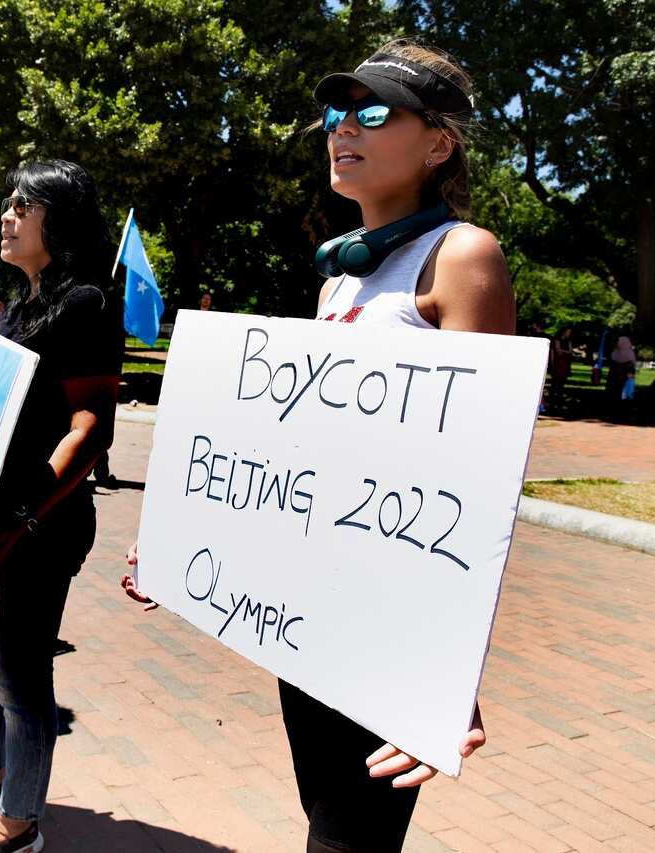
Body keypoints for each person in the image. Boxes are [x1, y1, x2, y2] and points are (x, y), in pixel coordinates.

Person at [124, 39, 501, 853]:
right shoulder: (337, 280)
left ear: (439, 143)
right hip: (317, 618)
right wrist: (184, 539)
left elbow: (477, 471)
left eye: (372, 112)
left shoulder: (462, 255)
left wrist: (449, 671)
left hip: (390, 619)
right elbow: (297, 461)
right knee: (325, 820)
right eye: (334, 114)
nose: (342, 129)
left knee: (345, 841)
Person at [0, 161, 122, 853]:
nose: (6, 214)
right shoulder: (13, 302)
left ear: (57, 220)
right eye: (6, 201)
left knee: (19, 675)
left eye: (23, 204)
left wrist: (22, 515)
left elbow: (90, 425)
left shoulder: (87, 302)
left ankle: (19, 821)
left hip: (36, 523)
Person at [605, 335, 636, 414]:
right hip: (616, 378)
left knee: (620, 394)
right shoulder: (618, 353)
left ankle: (619, 410)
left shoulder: (617, 353)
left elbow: (630, 367)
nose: (618, 343)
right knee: (617, 395)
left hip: (620, 378)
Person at [549, 327, 574, 412]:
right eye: (568, 331)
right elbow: (557, 350)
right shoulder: (557, 339)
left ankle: (559, 403)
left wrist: (563, 352)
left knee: (561, 384)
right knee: (555, 384)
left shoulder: (569, 341)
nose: (569, 334)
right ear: (563, 332)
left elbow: (570, 351)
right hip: (557, 363)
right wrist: (566, 352)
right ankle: (552, 403)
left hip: (565, 364)